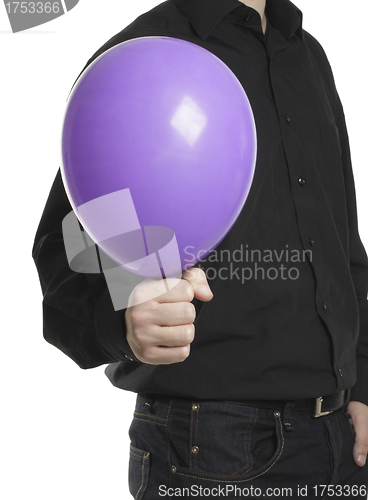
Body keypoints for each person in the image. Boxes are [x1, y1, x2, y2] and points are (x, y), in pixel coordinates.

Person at [32, 0, 368, 497]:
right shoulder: (142, 54)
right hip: (212, 447)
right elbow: (71, 247)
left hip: (341, 439)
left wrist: (360, 383)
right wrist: (123, 318)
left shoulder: (307, 54)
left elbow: (345, 243)